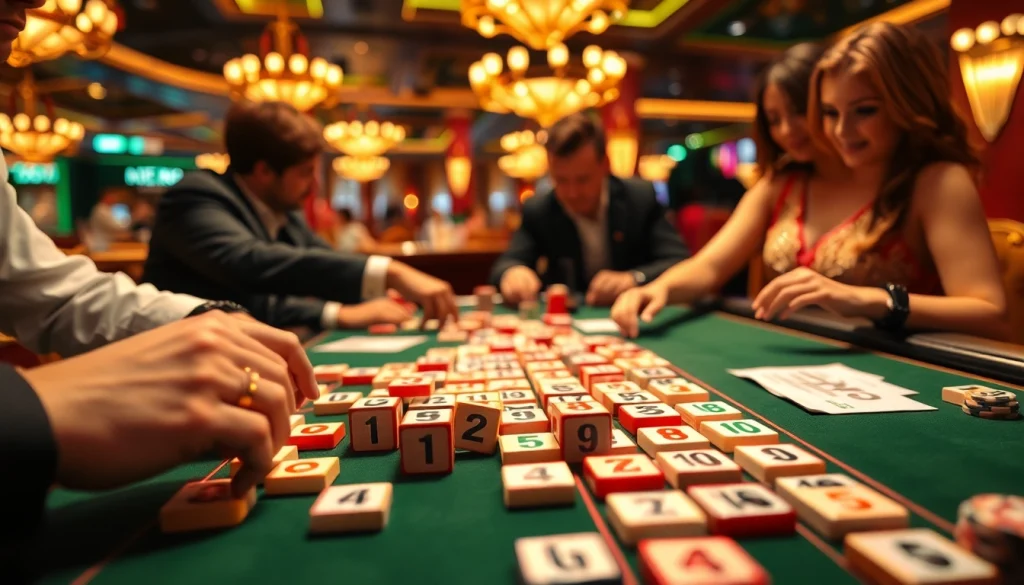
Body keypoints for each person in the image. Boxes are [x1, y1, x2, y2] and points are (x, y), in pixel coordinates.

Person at [0, 1, 318, 580]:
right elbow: (254, 263)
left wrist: (206, 320)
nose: (35, 5)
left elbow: (51, 292)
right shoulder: (197, 194)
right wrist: (28, 413)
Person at [612, 26, 1008, 341]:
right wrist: (657, 289)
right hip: (789, 359)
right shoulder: (783, 182)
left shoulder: (937, 182)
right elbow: (710, 265)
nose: (841, 131)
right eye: (830, 112)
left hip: (901, 371)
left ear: (908, 103)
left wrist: (869, 300)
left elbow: (990, 313)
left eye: (864, 111)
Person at [142, 99, 458, 332]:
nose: (315, 186)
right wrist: (388, 273)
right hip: (183, 363)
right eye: (306, 173)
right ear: (264, 170)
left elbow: (318, 259)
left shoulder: (283, 212)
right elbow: (251, 265)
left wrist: (385, 292)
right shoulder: (195, 197)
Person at [490, 112, 690, 307]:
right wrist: (513, 273)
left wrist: (634, 278)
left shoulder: (639, 197)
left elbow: (678, 262)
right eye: (561, 180)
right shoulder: (539, 208)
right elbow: (507, 263)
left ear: (605, 165)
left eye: (582, 179)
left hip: (637, 316)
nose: (572, 193)